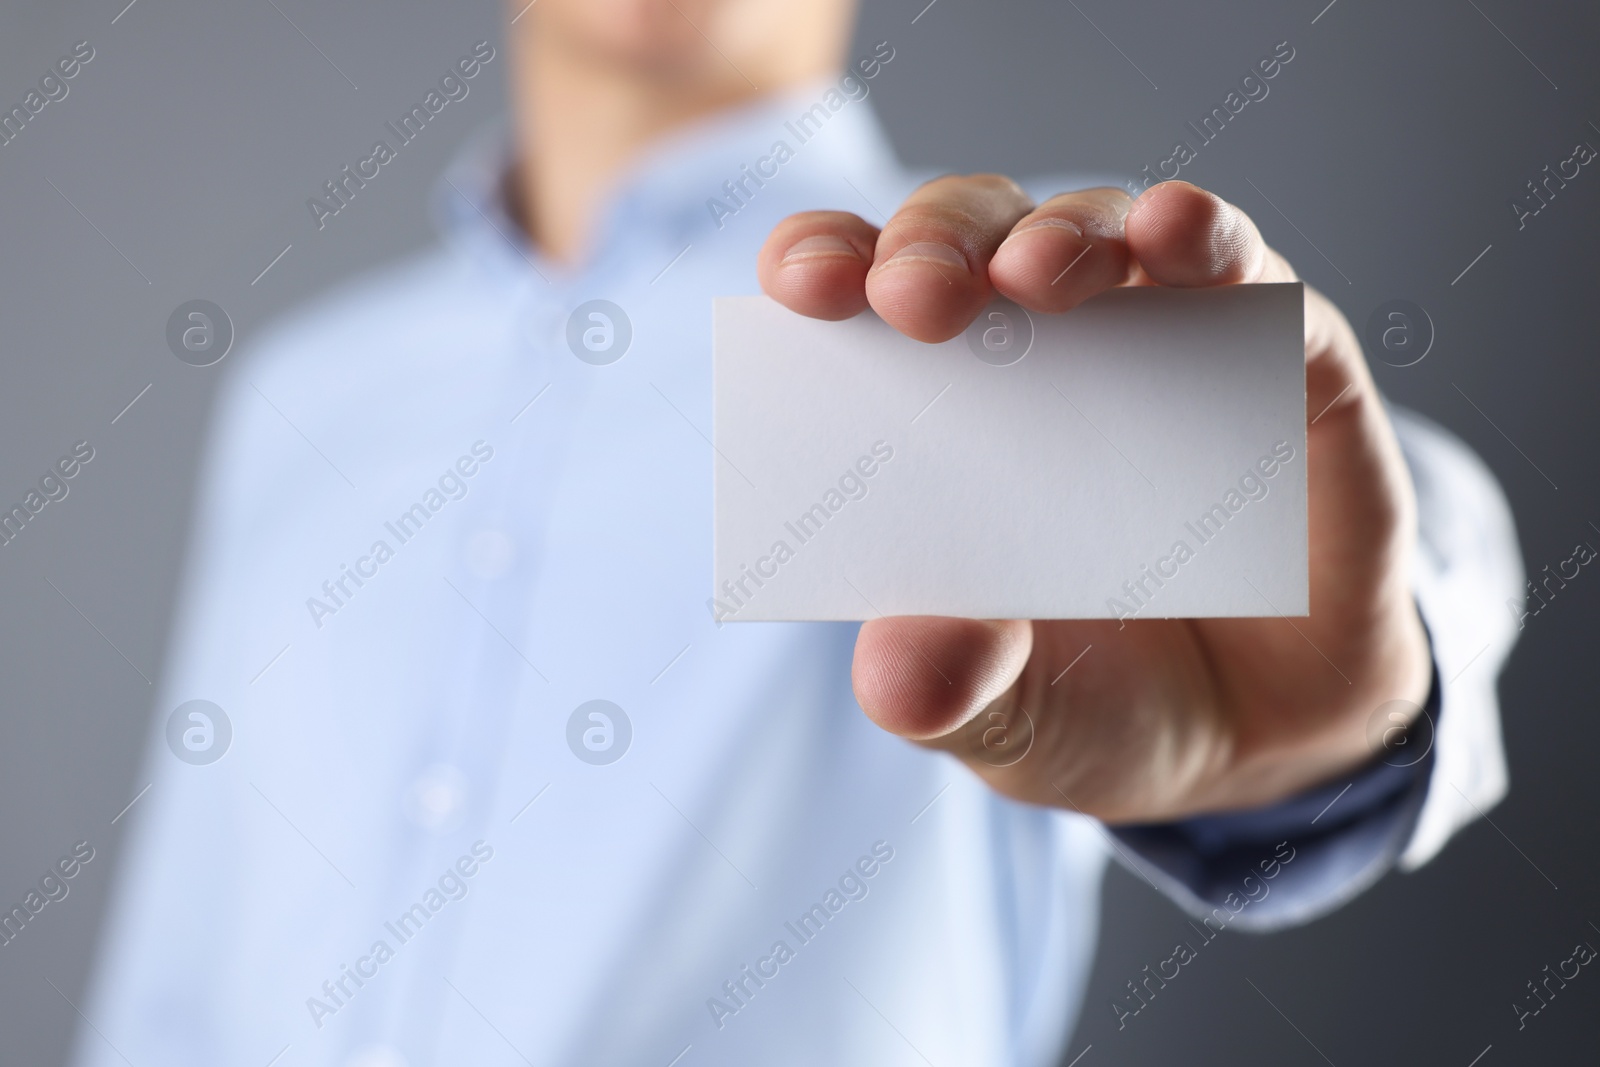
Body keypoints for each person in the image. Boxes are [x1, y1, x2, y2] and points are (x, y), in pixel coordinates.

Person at [75, 0, 1523, 1064]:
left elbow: (1388, 521)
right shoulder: (310, 395)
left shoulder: (975, 328)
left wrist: (1345, 716)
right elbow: (181, 970)